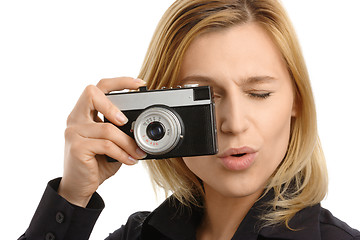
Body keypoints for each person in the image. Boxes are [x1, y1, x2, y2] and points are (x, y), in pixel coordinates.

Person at [19, 0, 360, 239]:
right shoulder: (137, 236)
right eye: (204, 97)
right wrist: (72, 196)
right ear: (160, 109)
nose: (234, 124)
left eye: (258, 93)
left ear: (296, 101)